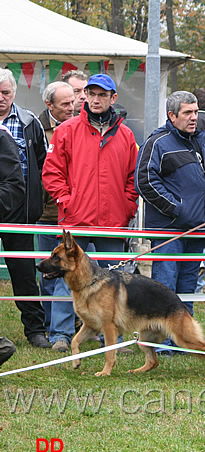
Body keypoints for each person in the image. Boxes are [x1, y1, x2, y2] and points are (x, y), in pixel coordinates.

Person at [42, 73, 139, 352]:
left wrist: (127, 205)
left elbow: (134, 177)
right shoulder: (67, 130)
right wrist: (66, 200)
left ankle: (115, 338)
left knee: (116, 282)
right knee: (66, 278)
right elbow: (51, 173)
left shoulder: (126, 134)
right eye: (91, 94)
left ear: (113, 99)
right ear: (85, 95)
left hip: (113, 222)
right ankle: (60, 335)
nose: (96, 100)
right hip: (75, 220)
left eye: (102, 95)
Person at [136, 91, 205, 321]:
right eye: (187, 113)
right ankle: (161, 341)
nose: (194, 117)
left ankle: (182, 339)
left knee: (188, 288)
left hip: (198, 229)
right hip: (169, 231)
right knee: (165, 288)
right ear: (172, 116)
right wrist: (177, 209)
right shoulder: (157, 144)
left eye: (195, 112)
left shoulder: (203, 143)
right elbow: (144, 181)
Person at [0, 68, 49, 349]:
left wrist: (34, 200)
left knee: (24, 273)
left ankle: (35, 329)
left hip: (19, 209)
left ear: (14, 93)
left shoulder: (29, 121)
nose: (1, 98)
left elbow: (42, 162)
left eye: (5, 93)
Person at [37, 81, 75, 337]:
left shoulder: (79, 127)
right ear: (49, 105)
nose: (72, 107)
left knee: (70, 273)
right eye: (65, 104)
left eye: (73, 101)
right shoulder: (36, 128)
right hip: (47, 213)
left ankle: (68, 327)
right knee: (48, 273)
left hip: (72, 216)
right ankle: (51, 325)